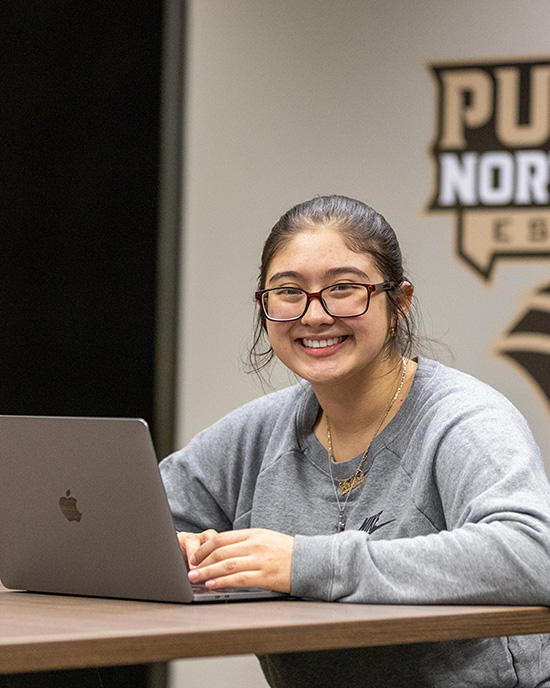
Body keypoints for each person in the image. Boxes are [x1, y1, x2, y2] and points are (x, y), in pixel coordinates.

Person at [159, 195, 550, 688]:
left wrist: (304, 562)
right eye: (288, 292)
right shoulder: (257, 432)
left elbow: (535, 553)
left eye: (343, 288)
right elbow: (130, 519)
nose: (315, 314)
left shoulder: (463, 418)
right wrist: (173, 549)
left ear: (399, 302)